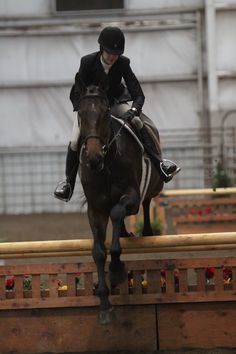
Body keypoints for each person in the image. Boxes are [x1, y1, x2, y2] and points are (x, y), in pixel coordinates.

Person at [54, 26, 180, 202]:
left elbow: (138, 94)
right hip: (91, 110)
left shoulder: (123, 63)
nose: (112, 57)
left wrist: (134, 110)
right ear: (101, 49)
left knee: (138, 122)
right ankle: (68, 184)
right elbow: (76, 92)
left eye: (116, 53)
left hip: (115, 104)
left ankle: (160, 164)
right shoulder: (87, 63)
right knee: (75, 139)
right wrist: (83, 110)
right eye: (109, 53)